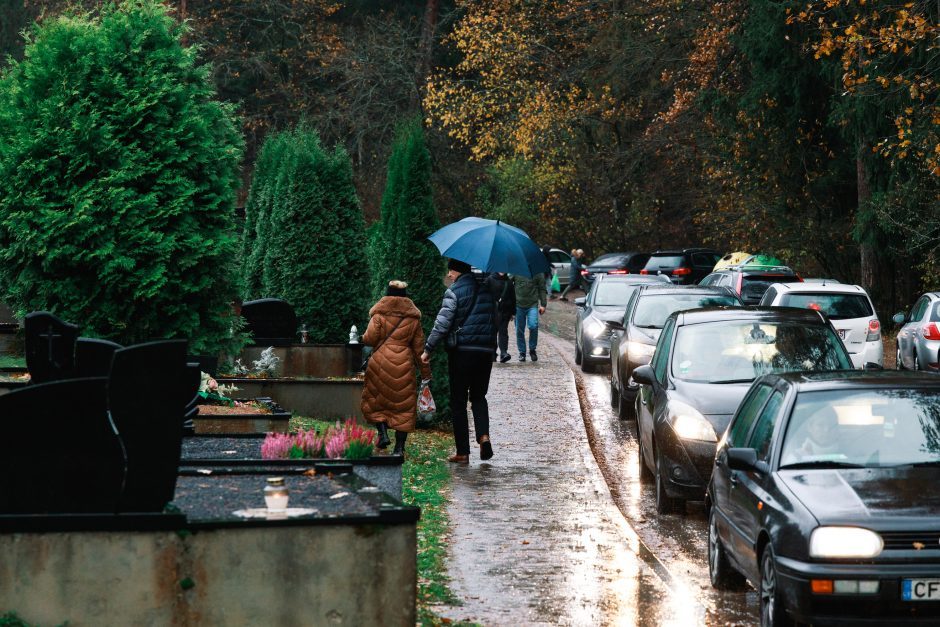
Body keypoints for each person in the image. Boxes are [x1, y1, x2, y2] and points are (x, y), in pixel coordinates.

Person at [421, 259, 498, 464]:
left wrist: (428, 348)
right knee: (479, 397)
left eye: (450, 271)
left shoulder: (454, 292)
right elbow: (495, 323)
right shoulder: (487, 292)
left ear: (457, 271)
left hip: (462, 352)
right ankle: (484, 437)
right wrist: (493, 349)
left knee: (458, 401)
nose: (449, 275)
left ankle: (463, 452)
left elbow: (442, 324)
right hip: (484, 353)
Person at [360, 280, 432, 457]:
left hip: (379, 363)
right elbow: (419, 350)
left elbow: (369, 339)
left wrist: (361, 337)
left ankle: (383, 434)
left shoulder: (378, 315)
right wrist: (426, 374)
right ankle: (399, 448)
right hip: (404, 364)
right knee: (404, 408)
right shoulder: (413, 319)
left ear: (387, 294)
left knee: (376, 402)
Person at [513, 270, 547, 361]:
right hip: (518, 305)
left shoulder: (538, 272)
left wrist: (543, 304)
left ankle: (532, 350)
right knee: (519, 330)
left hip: (532, 305)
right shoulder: (516, 270)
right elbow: (507, 283)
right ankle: (522, 352)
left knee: (533, 326)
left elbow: (542, 288)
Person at [484, 271, 515, 363]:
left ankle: (503, 352)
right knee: (493, 332)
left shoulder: (509, 282)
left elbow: (513, 297)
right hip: (492, 311)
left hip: (505, 311)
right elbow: (484, 294)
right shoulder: (490, 279)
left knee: (503, 331)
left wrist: (513, 312)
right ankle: (493, 353)